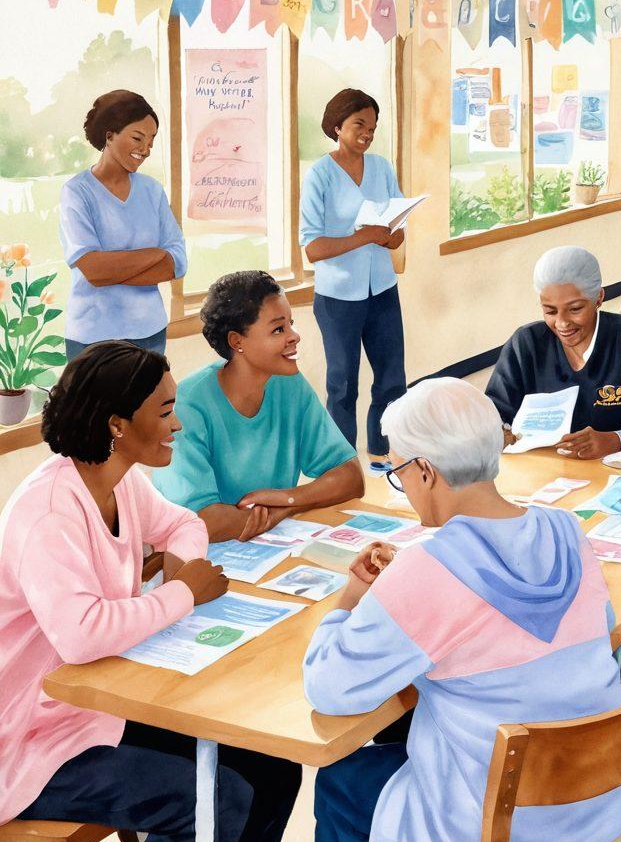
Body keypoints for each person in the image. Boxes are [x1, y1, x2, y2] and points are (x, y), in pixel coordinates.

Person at [304, 378, 621, 842]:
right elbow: (602, 639)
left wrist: (350, 600)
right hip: (601, 797)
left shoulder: (425, 570)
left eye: (397, 471)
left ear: (424, 471)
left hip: (498, 829)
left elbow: (331, 690)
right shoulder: (566, 529)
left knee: (341, 781)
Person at [0, 342, 302, 842]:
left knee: (274, 769)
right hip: (30, 739)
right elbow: (82, 635)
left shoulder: (120, 481)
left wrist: (181, 572)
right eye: (164, 411)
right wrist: (183, 592)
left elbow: (184, 524)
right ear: (117, 423)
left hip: (104, 706)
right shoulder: (47, 513)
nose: (178, 424)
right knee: (216, 801)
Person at [153, 270, 363, 542]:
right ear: (236, 341)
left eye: (291, 323)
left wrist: (286, 501)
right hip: (192, 555)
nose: (294, 336)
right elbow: (199, 521)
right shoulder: (188, 405)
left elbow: (351, 477)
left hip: (265, 543)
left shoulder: (289, 384)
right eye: (278, 329)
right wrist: (282, 509)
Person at [486, 246, 621, 459]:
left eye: (575, 309)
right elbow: (491, 417)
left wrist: (615, 441)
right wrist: (499, 433)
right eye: (550, 311)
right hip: (542, 475)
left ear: (599, 298)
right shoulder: (526, 344)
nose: (562, 323)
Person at [300, 88, 407, 473]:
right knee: (343, 385)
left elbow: (396, 222)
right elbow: (312, 247)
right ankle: (343, 464)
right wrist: (367, 235)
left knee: (393, 377)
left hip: (381, 289)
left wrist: (394, 233)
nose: (367, 132)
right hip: (338, 297)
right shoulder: (320, 175)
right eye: (359, 124)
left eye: (373, 126)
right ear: (337, 126)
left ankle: (384, 452)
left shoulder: (381, 167)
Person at [59, 90, 186, 361]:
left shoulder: (152, 191)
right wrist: (154, 254)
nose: (146, 149)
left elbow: (177, 262)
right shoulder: (77, 192)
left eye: (151, 141)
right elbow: (93, 270)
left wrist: (111, 271)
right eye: (138, 138)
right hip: (92, 338)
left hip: (149, 334)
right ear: (109, 135)